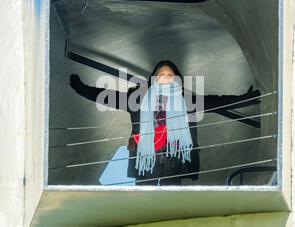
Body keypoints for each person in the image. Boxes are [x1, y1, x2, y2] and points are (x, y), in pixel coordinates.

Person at [69, 60, 261, 186]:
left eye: (170, 75)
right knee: (145, 197)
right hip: (145, 156)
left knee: (171, 197)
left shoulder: (185, 100)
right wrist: (81, 88)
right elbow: (108, 97)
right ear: (154, 78)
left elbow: (214, 101)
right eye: (162, 74)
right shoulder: (138, 99)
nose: (166, 78)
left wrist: (244, 99)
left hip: (173, 156)